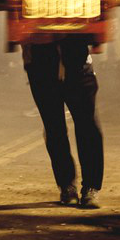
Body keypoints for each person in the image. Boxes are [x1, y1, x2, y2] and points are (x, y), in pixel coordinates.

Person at [22, 34, 104, 209]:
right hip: (40, 62)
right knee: (54, 127)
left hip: (77, 59)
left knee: (87, 125)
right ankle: (67, 186)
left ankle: (91, 186)